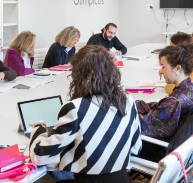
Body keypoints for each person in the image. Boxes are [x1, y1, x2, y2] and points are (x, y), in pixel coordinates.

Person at [27, 45, 142, 182]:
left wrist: (38, 129)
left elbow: (40, 157)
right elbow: (136, 148)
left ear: (79, 75)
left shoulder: (75, 108)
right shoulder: (128, 101)